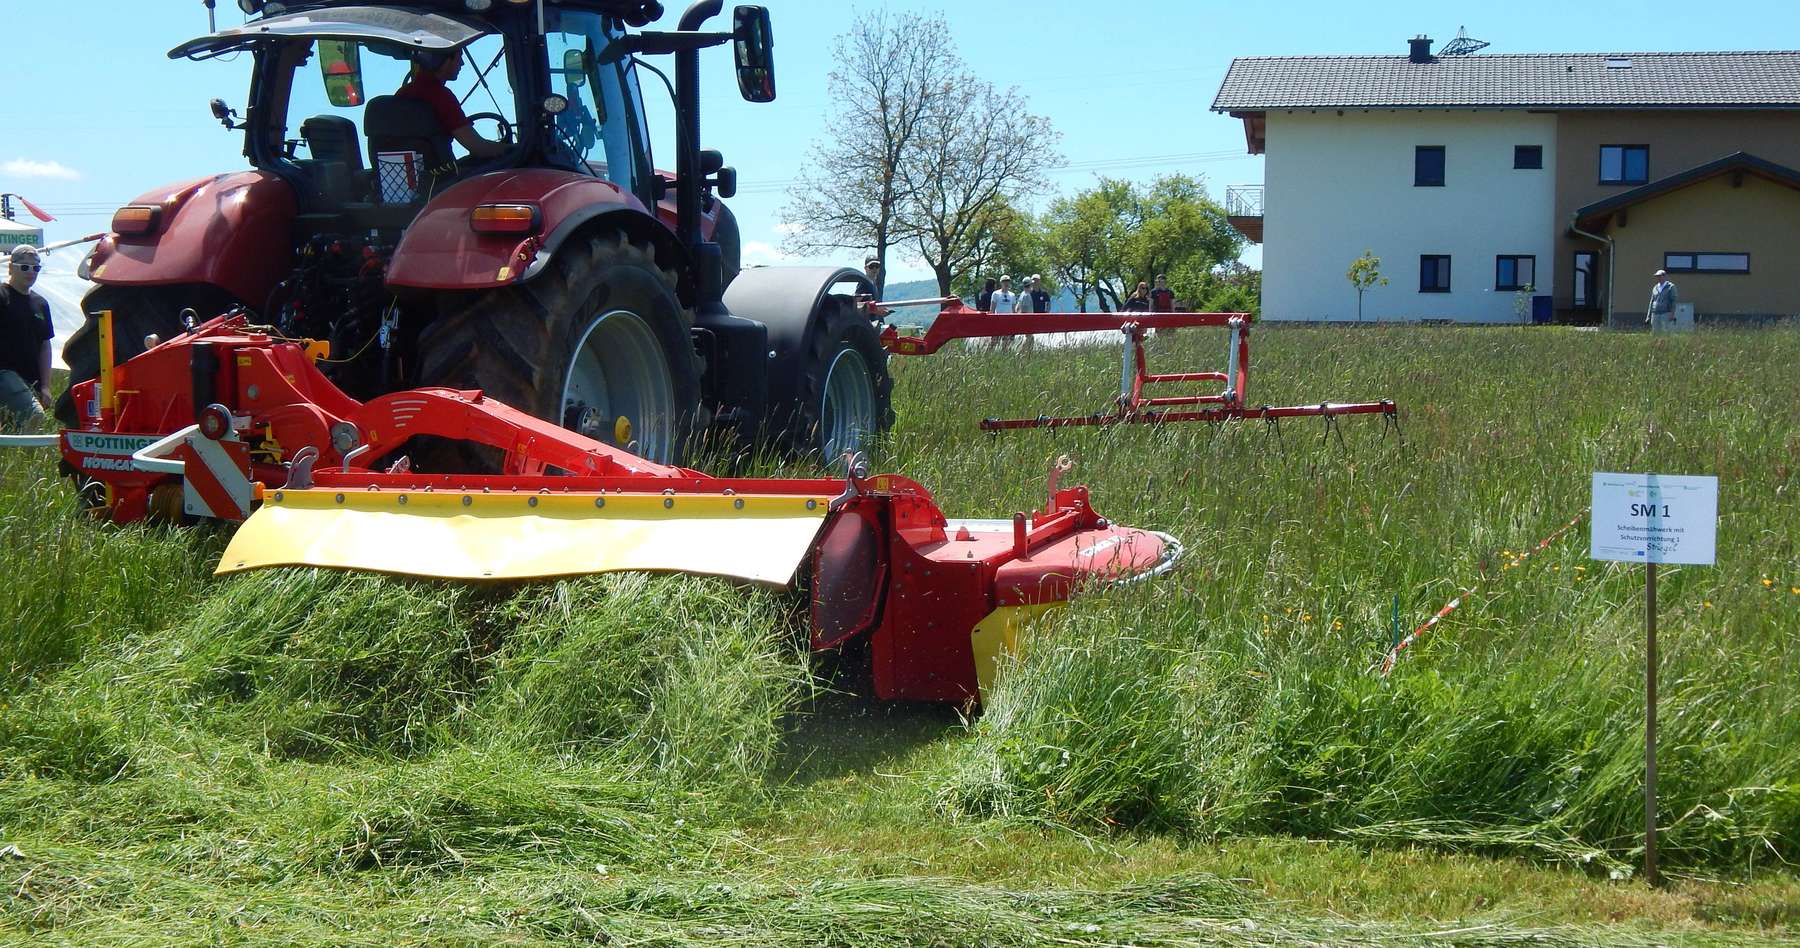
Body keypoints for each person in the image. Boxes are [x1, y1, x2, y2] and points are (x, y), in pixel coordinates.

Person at [396, 50, 507, 159]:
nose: (462, 63)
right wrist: (515, 149)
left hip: (416, 172)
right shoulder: (440, 96)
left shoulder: (402, 93)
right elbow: (479, 148)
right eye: (459, 57)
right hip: (442, 172)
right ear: (443, 60)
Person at [0, 245, 54, 428]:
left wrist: (46, 386)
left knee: (11, 428)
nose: (31, 272)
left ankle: (14, 456)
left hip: (31, 379)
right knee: (35, 416)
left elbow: (45, 344)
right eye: (24, 267)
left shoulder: (41, 304)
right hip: (4, 373)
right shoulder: (2, 295)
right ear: (11, 267)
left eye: (35, 268)